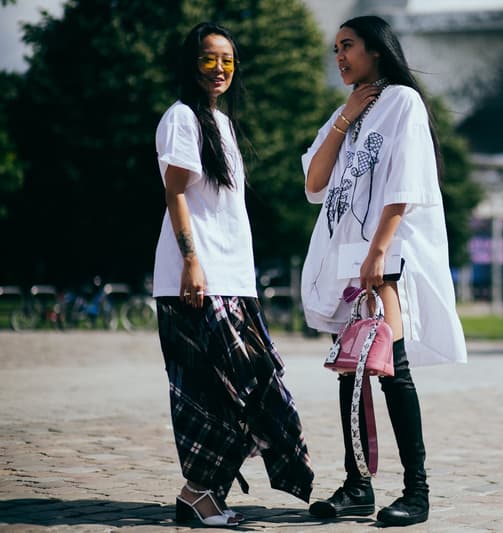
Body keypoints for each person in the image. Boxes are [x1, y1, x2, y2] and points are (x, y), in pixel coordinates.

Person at [300, 15, 468, 527]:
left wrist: (378, 251)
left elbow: (406, 182)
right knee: (350, 372)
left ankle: (417, 492)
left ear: (376, 49)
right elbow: (314, 182)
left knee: (393, 368)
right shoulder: (347, 111)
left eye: (348, 46)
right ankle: (357, 486)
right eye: (335, 48)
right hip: (347, 260)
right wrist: (345, 119)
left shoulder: (402, 102)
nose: (339, 57)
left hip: (382, 258)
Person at [153, 22, 313, 527]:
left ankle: (204, 495)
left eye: (227, 60)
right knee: (212, 391)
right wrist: (191, 262)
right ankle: (197, 496)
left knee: (249, 388)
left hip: (233, 279)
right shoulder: (182, 118)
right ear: (190, 63)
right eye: (208, 58)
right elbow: (176, 193)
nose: (219, 68)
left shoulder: (219, 123)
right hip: (197, 279)